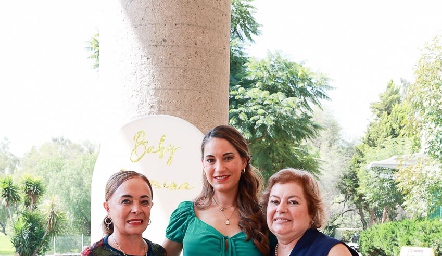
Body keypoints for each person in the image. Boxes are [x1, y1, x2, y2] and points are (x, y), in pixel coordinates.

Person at [162, 125, 270, 256]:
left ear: (244, 162)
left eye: (228, 158)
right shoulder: (186, 215)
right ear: (203, 164)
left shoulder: (265, 216)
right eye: (211, 160)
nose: (219, 168)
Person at [261, 168, 359, 256]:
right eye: (275, 201)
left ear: (312, 211)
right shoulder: (265, 251)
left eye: (293, 202)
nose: (281, 209)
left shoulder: (332, 252)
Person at [82, 170, 166, 256]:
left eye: (144, 202)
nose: (137, 210)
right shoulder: (94, 254)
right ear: (107, 208)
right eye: (126, 201)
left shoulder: (159, 253)